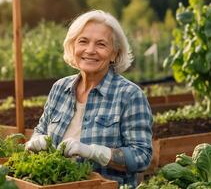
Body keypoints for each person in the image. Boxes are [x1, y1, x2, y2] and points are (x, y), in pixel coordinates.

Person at [25, 10, 153, 188]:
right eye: (83, 41)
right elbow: (41, 129)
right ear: (73, 46)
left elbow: (142, 156)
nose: (90, 50)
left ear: (114, 54)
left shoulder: (129, 95)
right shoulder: (59, 88)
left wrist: (93, 152)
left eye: (101, 44)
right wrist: (36, 140)